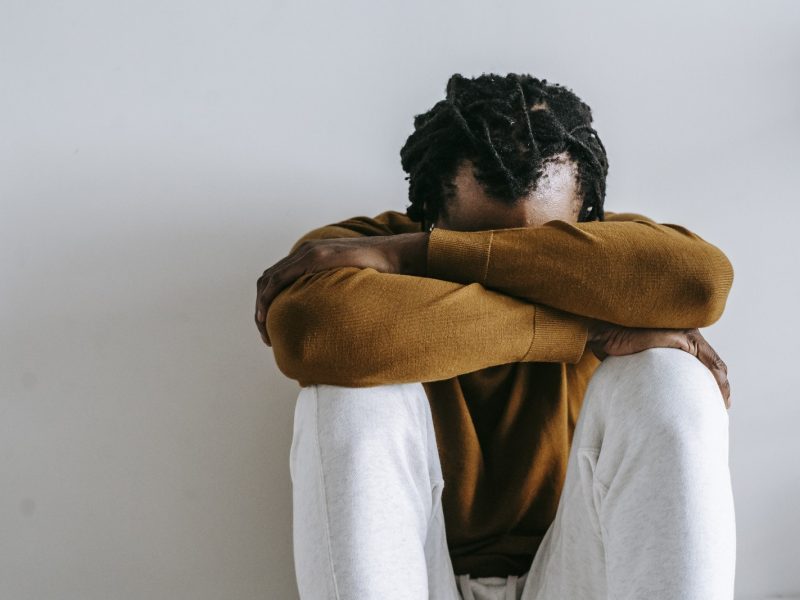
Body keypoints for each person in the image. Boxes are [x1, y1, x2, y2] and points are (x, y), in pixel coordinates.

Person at [254, 73, 736, 599]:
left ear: (585, 222)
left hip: (578, 566)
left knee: (671, 377)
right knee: (345, 395)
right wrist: (583, 326)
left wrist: (428, 256)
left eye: (541, 248)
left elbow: (702, 281)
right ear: (430, 214)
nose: (508, 257)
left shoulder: (613, 261)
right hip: (415, 570)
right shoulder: (354, 251)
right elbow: (317, 335)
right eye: (477, 240)